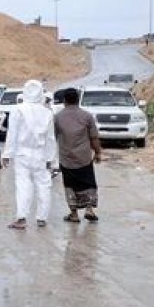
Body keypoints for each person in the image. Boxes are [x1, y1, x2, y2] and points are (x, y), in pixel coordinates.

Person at [3, 80, 58, 230]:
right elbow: (50, 139)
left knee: (23, 185)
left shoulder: (18, 109)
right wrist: (51, 160)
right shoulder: (47, 112)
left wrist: (7, 154)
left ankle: (21, 218)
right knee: (44, 185)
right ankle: (42, 218)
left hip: (22, 153)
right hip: (40, 154)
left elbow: (12, 133)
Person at [54, 88, 102, 223]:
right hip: (84, 158)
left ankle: (74, 214)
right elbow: (94, 137)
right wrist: (97, 152)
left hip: (66, 159)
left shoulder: (57, 117)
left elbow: (52, 138)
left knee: (70, 185)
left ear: (64, 101)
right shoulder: (87, 116)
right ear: (78, 99)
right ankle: (89, 209)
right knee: (88, 183)